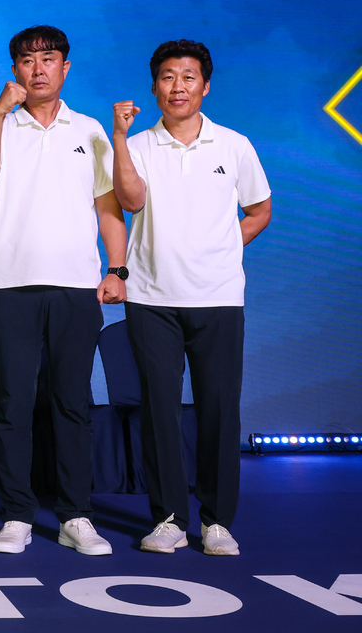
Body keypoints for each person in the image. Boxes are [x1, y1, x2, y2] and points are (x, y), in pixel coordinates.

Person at [0, 26, 128, 556]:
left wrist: (118, 269)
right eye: (27, 60)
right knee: (14, 403)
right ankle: (16, 514)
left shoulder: (89, 130)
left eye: (48, 59)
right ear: (15, 70)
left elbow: (108, 207)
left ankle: (75, 515)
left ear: (65, 67)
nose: (38, 69)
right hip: (11, 284)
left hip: (76, 285)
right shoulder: (0, 125)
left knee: (73, 403)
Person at [111, 40, 271, 556]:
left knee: (219, 409)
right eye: (167, 77)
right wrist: (120, 138)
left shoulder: (234, 145)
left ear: (205, 86)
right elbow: (130, 201)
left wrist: (223, 247)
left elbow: (259, 210)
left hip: (218, 296)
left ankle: (218, 521)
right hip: (151, 297)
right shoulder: (138, 145)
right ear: (154, 85)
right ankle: (168, 519)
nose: (177, 87)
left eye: (187, 77)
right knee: (159, 410)